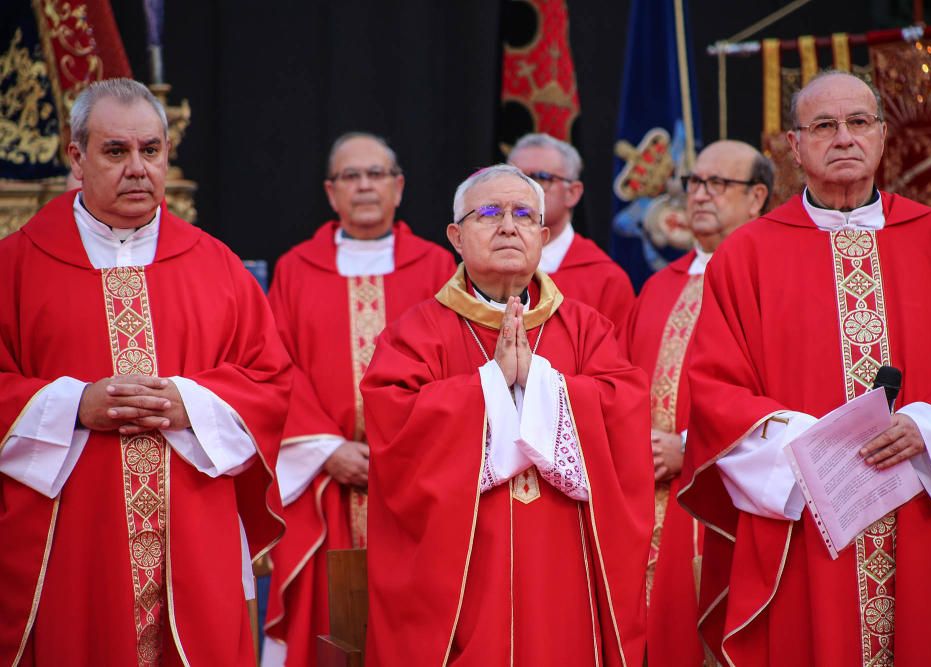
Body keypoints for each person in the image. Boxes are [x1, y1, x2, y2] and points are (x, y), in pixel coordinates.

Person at [678, 70, 931, 665]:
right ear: (795, 148)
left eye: (858, 123)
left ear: (882, 136)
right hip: (807, 520)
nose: (843, 138)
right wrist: (814, 445)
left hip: (922, 513)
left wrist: (929, 427)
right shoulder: (746, 255)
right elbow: (715, 389)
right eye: (823, 125)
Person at [0, 78, 291, 666]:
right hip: (72, 545)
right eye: (116, 151)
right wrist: (75, 405)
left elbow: (271, 383)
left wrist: (191, 403)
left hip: (195, 537)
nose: (137, 169)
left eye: (151, 150)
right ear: (76, 157)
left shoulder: (218, 267)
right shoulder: (16, 266)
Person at [359, 164, 653, 665]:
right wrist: (490, 386)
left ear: (542, 234)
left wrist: (541, 386)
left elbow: (624, 410)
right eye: (489, 213)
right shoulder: (417, 333)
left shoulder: (586, 328)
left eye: (523, 214)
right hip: (466, 575)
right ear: (455, 236)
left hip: (563, 569)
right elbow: (394, 425)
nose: (507, 226)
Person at [262, 133, 455, 667]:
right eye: (351, 176)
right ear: (331, 192)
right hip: (327, 485)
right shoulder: (296, 270)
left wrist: (403, 449)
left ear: (399, 187)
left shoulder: (440, 268)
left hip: (417, 484)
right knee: (329, 631)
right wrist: (328, 450)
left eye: (376, 174)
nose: (365, 185)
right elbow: (276, 369)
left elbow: (460, 366)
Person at [621, 140, 772, 667]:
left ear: (756, 197)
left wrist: (690, 446)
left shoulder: (771, 278)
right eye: (694, 183)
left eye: (717, 184)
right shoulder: (658, 286)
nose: (700, 195)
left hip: (724, 497)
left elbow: (787, 391)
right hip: (646, 502)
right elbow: (625, 383)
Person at [508, 133, 634, 332]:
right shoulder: (485, 268)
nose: (524, 189)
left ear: (572, 193)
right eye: (516, 178)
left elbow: (615, 361)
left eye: (541, 178)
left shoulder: (606, 280)